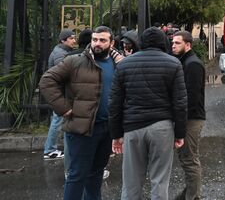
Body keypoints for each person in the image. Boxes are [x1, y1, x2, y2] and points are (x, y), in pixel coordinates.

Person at [40, 26, 123, 200]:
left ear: (111, 43)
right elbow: (47, 81)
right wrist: (64, 108)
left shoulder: (119, 64)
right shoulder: (75, 61)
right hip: (81, 129)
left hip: (106, 129)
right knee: (77, 175)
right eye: (95, 40)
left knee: (96, 174)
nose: (97, 44)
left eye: (102, 40)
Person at [109, 27, 187, 200]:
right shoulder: (174, 64)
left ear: (141, 43)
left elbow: (114, 103)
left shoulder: (124, 65)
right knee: (160, 182)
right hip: (162, 127)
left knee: (131, 183)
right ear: (163, 42)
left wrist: (116, 134)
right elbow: (180, 103)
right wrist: (180, 133)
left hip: (132, 128)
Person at [172, 31, 206, 200]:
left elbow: (191, 97)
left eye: (177, 43)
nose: (173, 46)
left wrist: (180, 122)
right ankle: (190, 192)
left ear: (188, 45)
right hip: (187, 118)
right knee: (186, 157)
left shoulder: (192, 64)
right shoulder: (185, 61)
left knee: (190, 159)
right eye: (173, 43)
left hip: (191, 119)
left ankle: (193, 196)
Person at [43, 29, 76, 160]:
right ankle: (50, 150)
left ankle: (51, 149)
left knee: (57, 120)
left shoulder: (62, 52)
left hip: (60, 92)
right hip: (60, 93)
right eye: (71, 38)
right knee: (57, 121)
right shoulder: (60, 55)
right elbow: (64, 74)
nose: (74, 40)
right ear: (63, 40)